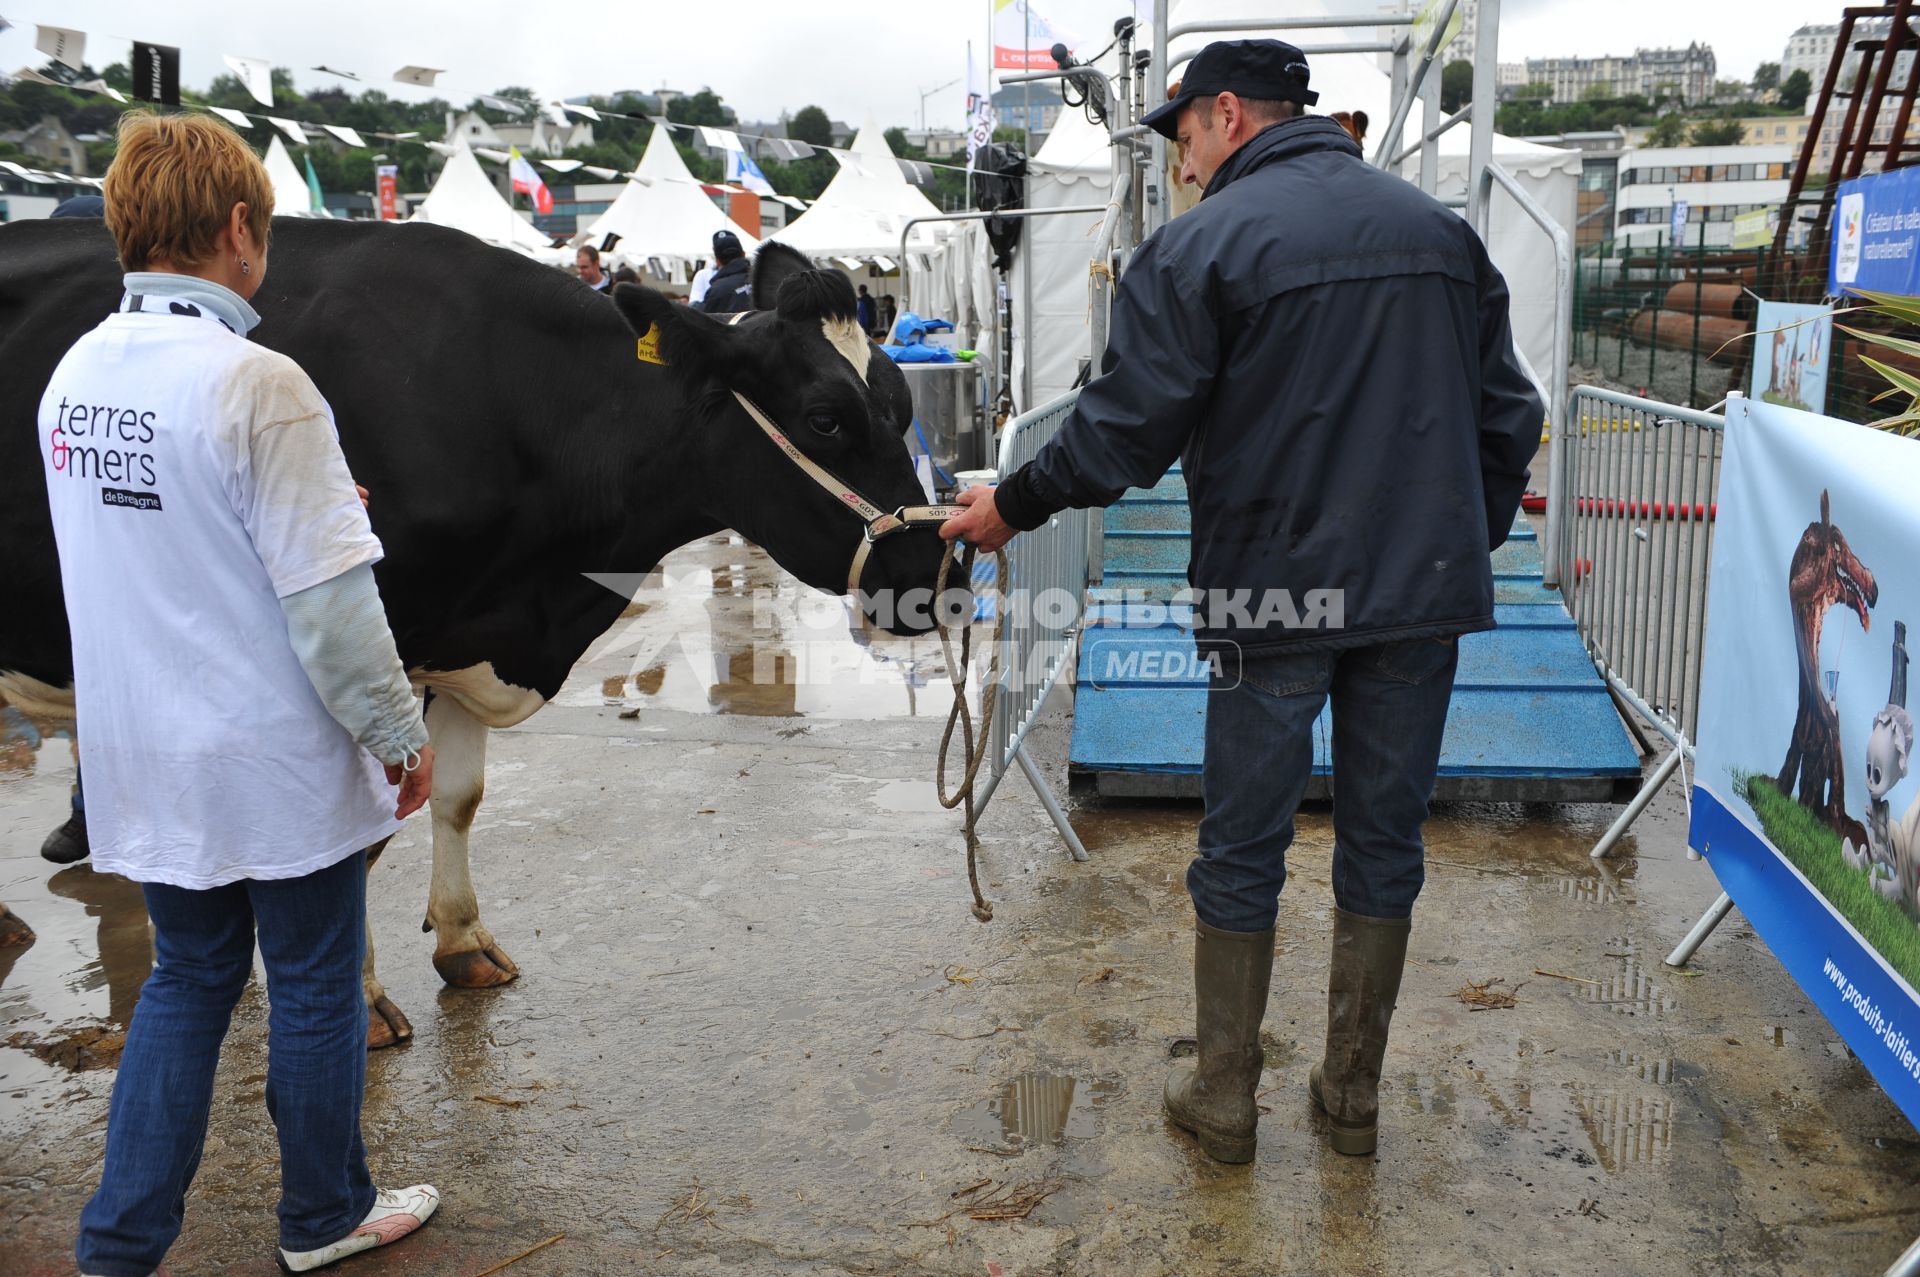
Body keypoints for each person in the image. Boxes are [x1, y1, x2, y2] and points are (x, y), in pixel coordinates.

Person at [940, 40, 1540, 1165]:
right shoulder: (1440, 235)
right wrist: (1466, 537)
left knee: (1244, 840)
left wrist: (1009, 505)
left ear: (1225, 115)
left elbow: (1124, 429)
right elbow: (1510, 412)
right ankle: (1351, 1096)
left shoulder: (1200, 246)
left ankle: (1224, 1097)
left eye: (1182, 138)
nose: (1181, 161)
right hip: (1422, 595)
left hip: (1276, 594)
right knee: (1383, 835)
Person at [46, 112, 443, 1275]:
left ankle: (117, 1245)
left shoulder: (76, 377)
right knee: (317, 979)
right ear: (238, 230)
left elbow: (158, 529)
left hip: (145, 749)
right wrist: (398, 732)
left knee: (188, 977)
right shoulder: (263, 384)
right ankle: (324, 1214)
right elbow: (328, 610)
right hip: (268, 756)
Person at [700, 228, 752, 313]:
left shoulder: (716, 291)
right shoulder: (764, 278)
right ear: (744, 253)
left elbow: (705, 323)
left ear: (717, 260)